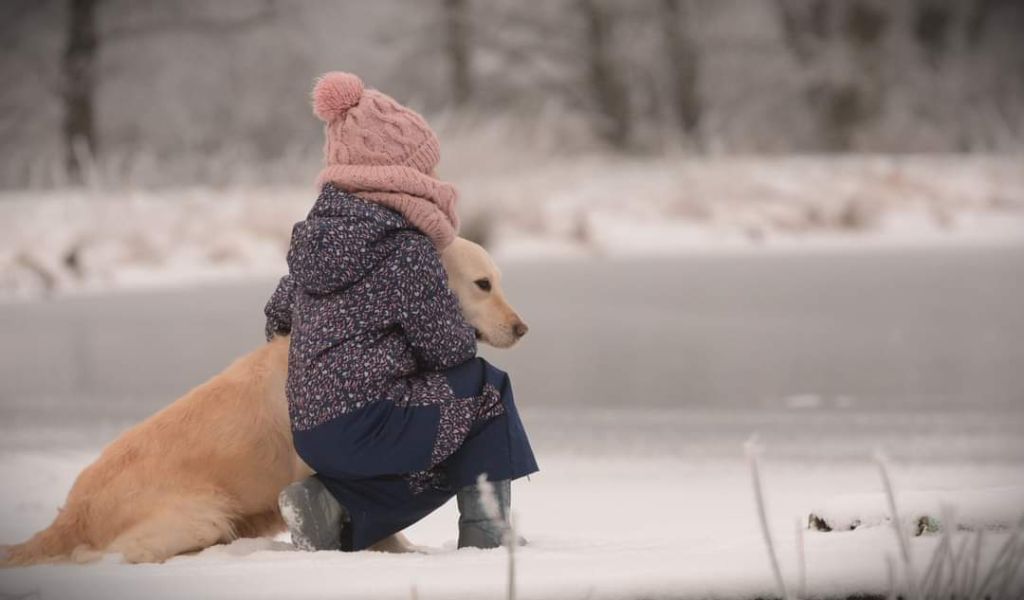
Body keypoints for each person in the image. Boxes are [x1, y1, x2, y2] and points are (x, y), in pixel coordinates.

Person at [263, 72, 538, 552]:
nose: (433, 181)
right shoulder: (406, 248)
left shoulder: (317, 239)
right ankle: (487, 533)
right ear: (399, 176)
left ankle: (330, 503)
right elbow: (447, 349)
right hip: (370, 423)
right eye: (427, 171)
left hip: (310, 430)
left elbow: (276, 316)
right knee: (487, 392)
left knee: (441, 426)